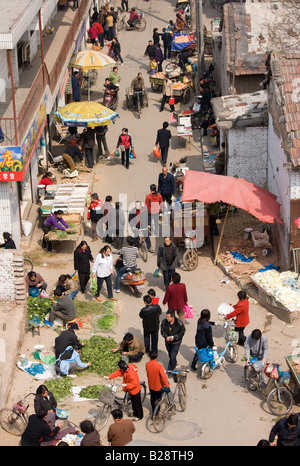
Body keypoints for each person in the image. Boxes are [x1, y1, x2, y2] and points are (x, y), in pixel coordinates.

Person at [146, 351, 170, 417]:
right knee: (158, 399)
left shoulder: (147, 364)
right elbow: (163, 376)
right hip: (158, 386)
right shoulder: (159, 366)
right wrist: (167, 384)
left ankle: (153, 409)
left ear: (149, 357)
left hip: (151, 384)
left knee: (152, 397)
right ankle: (156, 413)